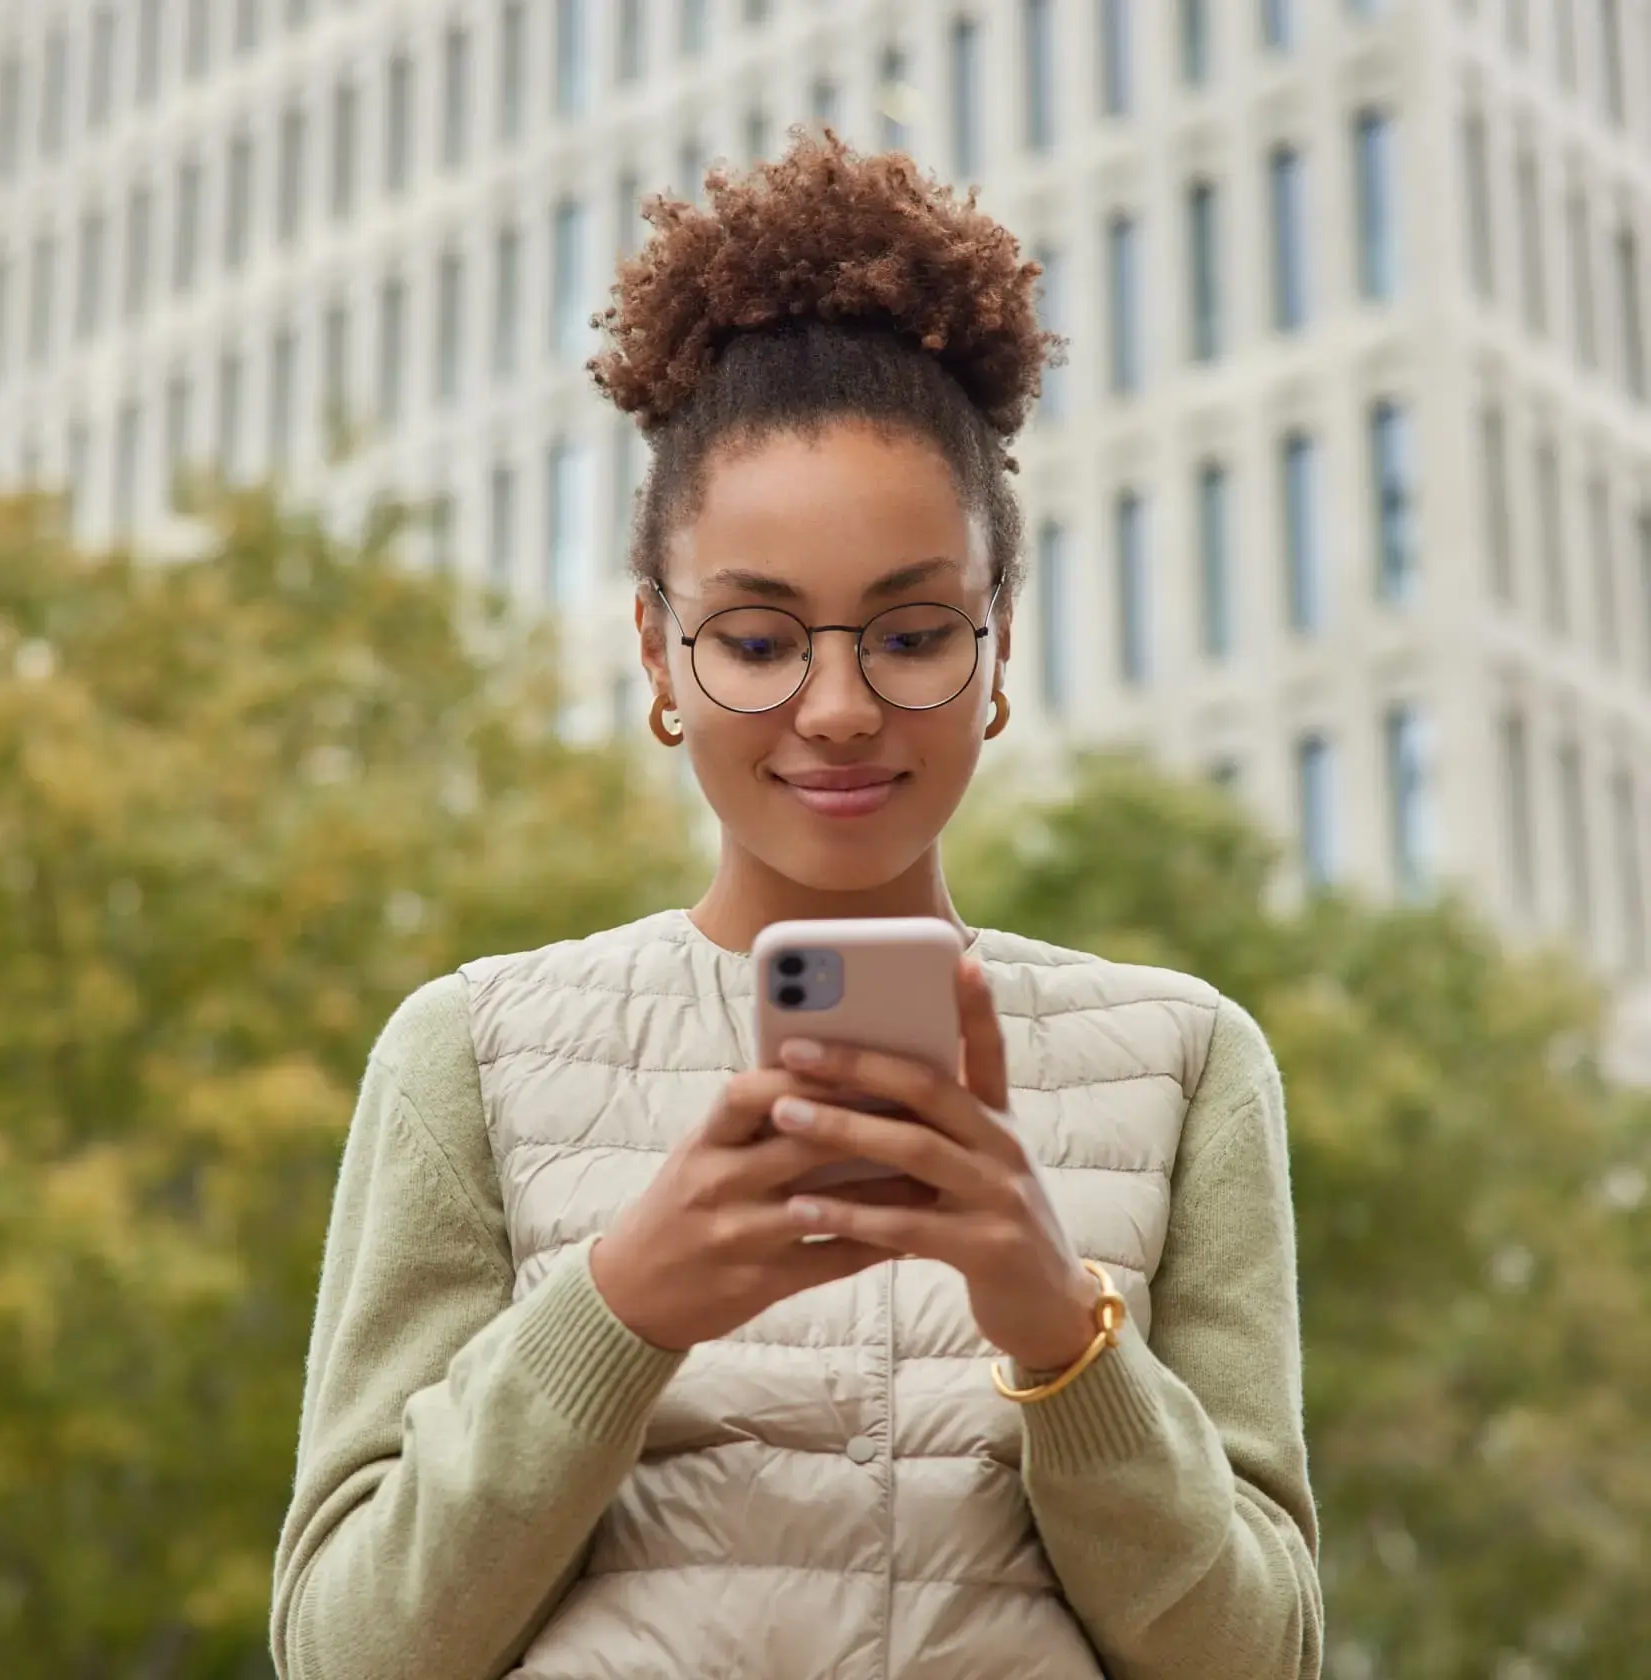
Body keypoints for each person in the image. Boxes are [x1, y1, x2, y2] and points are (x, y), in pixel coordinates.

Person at [269, 132, 1322, 1680]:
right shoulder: (467, 1053)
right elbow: (344, 1653)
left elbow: (1262, 1658)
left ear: (999, 646)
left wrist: (1058, 1328)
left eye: (909, 634)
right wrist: (619, 1309)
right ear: (656, 655)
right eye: (756, 641)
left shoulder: (1186, 1063)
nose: (836, 706)